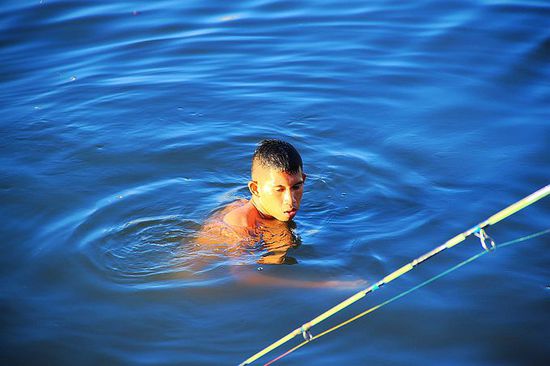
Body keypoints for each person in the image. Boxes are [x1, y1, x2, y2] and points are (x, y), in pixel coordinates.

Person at [194, 139, 365, 288]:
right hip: (199, 283)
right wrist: (325, 285)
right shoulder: (240, 223)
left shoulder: (272, 217)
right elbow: (244, 276)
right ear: (255, 189)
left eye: (296, 187)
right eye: (279, 190)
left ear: (303, 180)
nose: (290, 201)